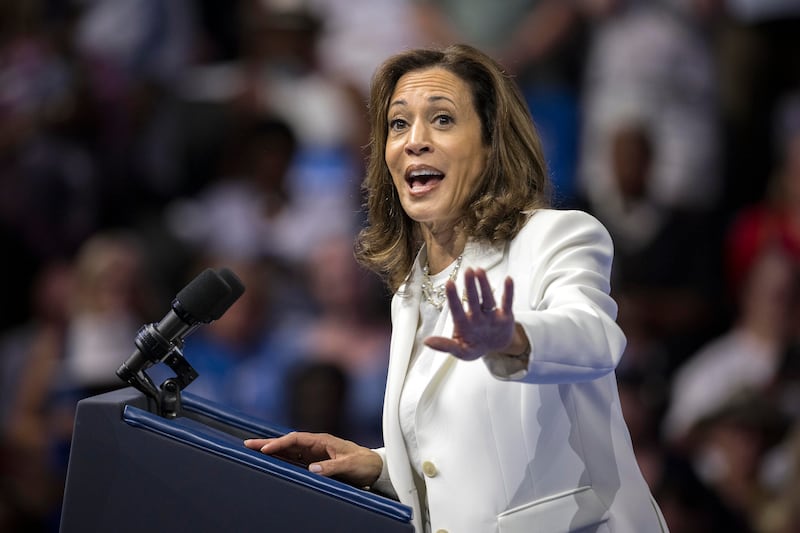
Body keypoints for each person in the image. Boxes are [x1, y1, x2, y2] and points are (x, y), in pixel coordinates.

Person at [245, 43, 667, 532]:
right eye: (399, 124)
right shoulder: (409, 289)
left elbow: (595, 338)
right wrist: (382, 466)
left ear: (491, 145)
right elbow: (458, 454)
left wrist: (512, 337)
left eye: (442, 119)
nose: (413, 141)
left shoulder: (556, 236)